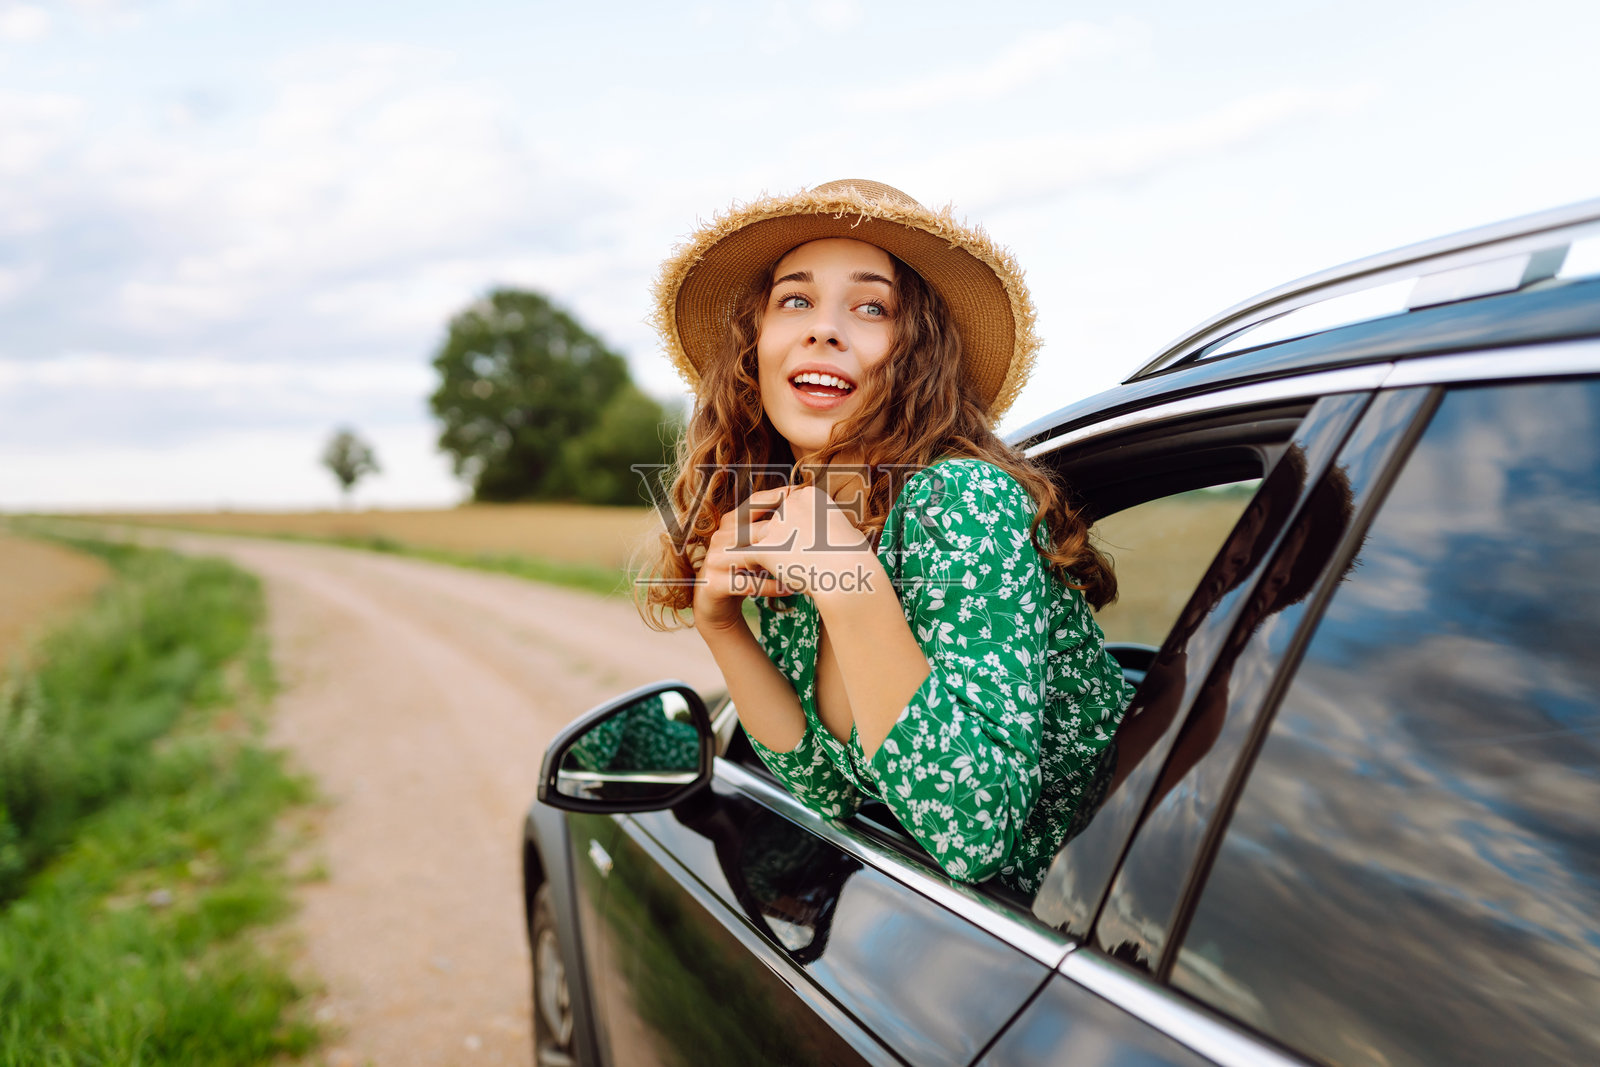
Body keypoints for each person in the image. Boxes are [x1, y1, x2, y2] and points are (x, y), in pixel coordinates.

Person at [636, 179, 1132, 895]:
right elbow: (826, 793)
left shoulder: (961, 500)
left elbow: (975, 835)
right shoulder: (799, 526)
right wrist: (724, 629)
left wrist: (852, 583)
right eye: (794, 299)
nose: (823, 328)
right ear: (756, 348)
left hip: (1079, 930)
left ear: (918, 353)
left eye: (871, 306)